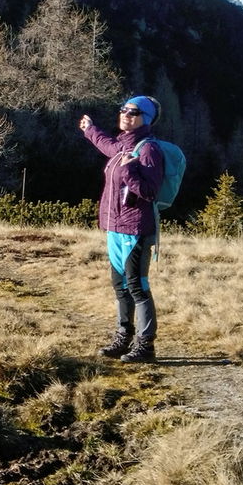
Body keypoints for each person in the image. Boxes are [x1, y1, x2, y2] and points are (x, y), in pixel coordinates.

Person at [78, 95, 166, 363]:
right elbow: (107, 145)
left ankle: (145, 346)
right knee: (120, 286)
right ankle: (123, 337)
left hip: (136, 229)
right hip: (115, 227)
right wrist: (89, 129)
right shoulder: (122, 146)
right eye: (124, 109)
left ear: (146, 119)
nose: (126, 114)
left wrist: (129, 172)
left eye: (134, 112)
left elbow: (150, 192)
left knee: (137, 286)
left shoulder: (148, 150)